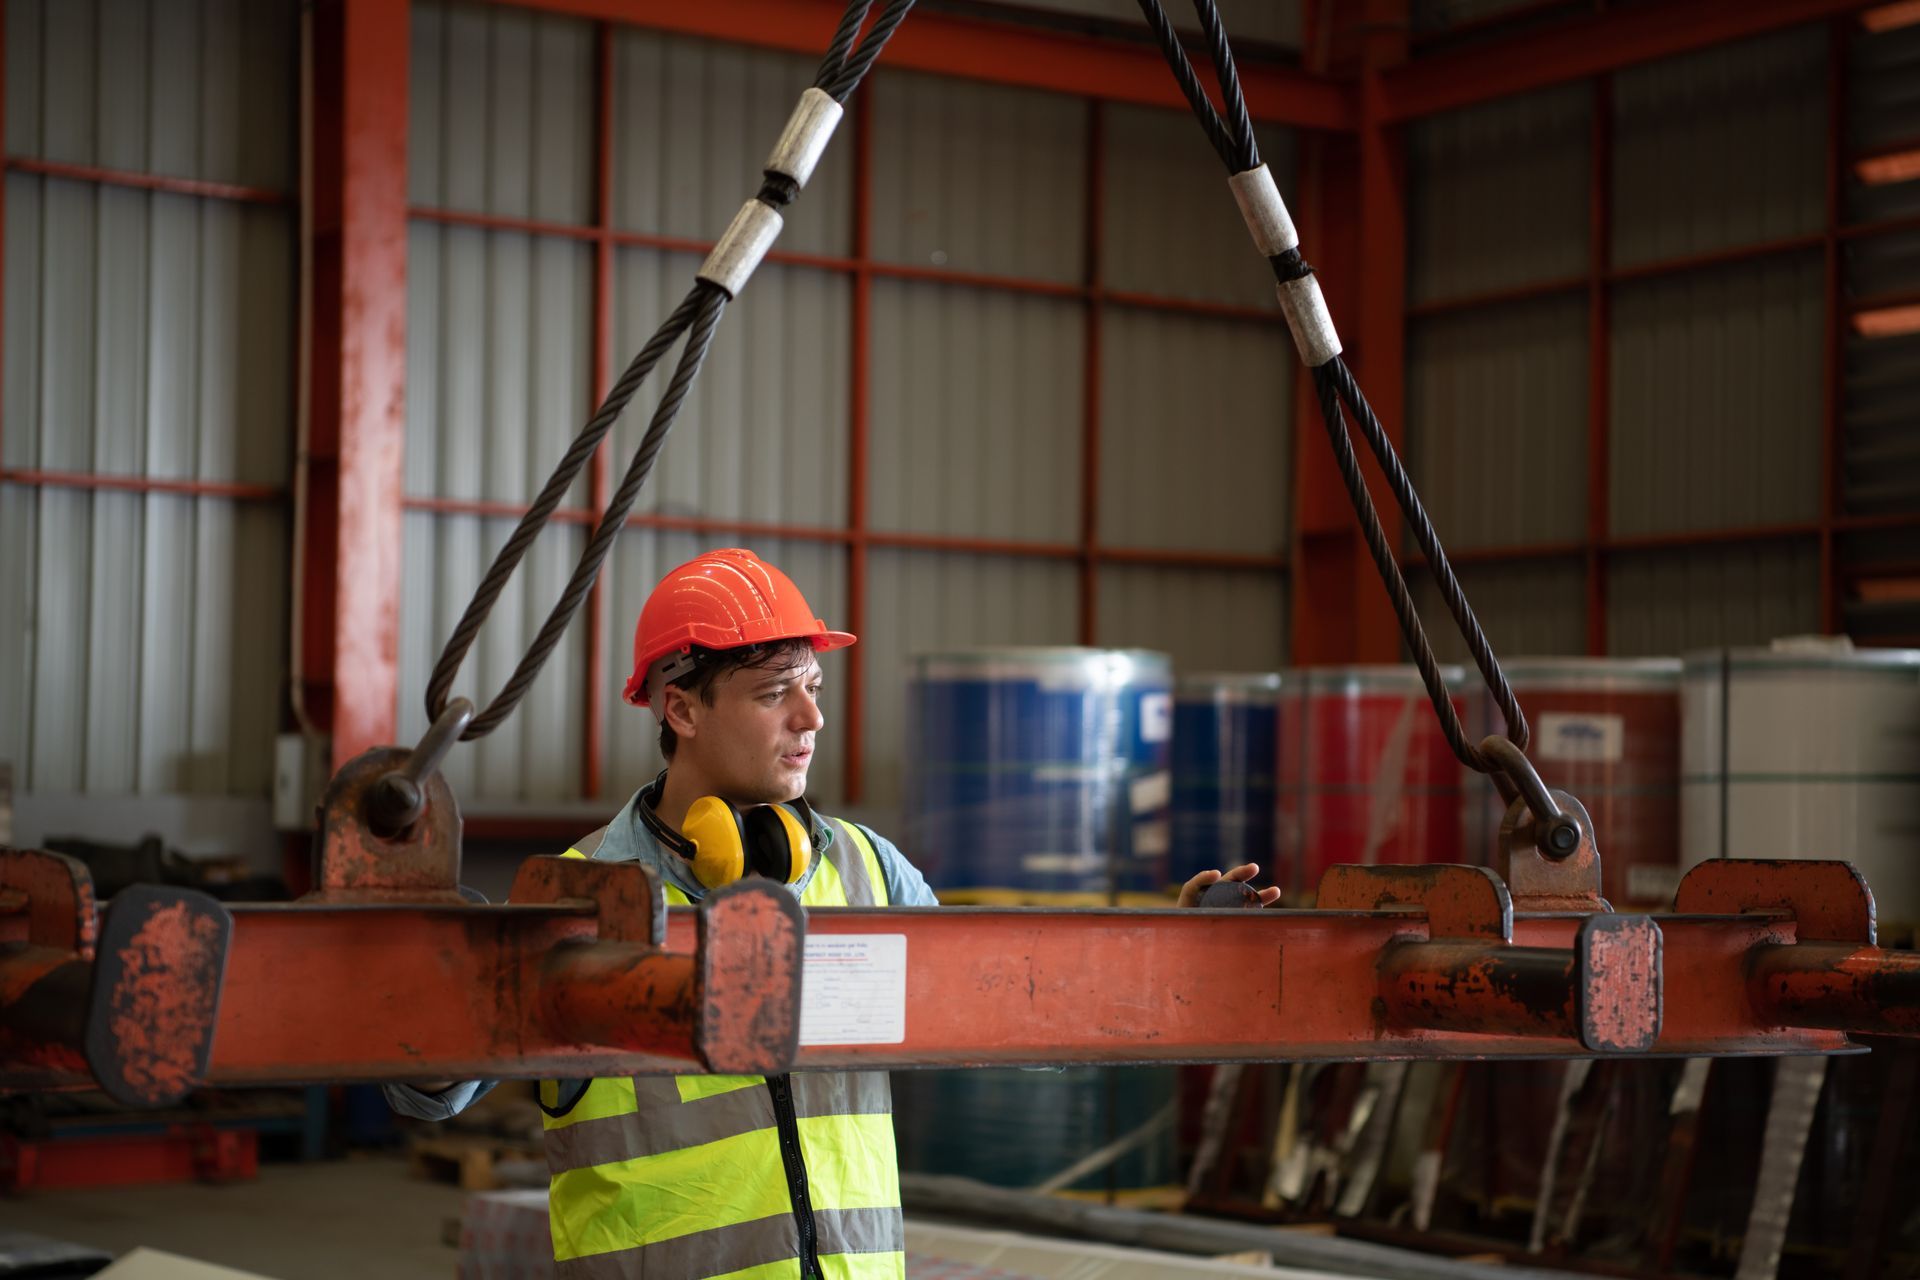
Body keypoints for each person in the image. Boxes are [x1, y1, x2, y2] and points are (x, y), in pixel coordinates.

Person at [388, 547, 1275, 1279]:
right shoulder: (579, 894)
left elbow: (1023, 1012)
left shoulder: (864, 871)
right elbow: (430, 1090)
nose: (812, 717)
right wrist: (426, 980)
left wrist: (1176, 950)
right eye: (776, 692)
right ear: (681, 707)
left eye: (814, 685)